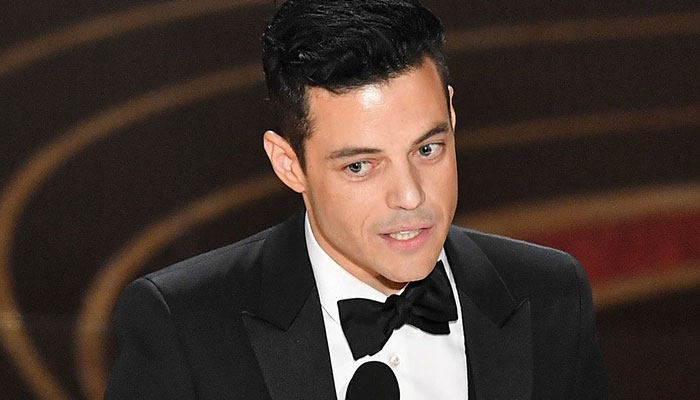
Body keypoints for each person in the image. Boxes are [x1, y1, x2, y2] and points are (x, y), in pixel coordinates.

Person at [105, 1, 608, 399]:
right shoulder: (183, 327)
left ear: (452, 116)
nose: (410, 196)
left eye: (427, 149)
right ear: (289, 164)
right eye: (360, 166)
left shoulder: (551, 295)